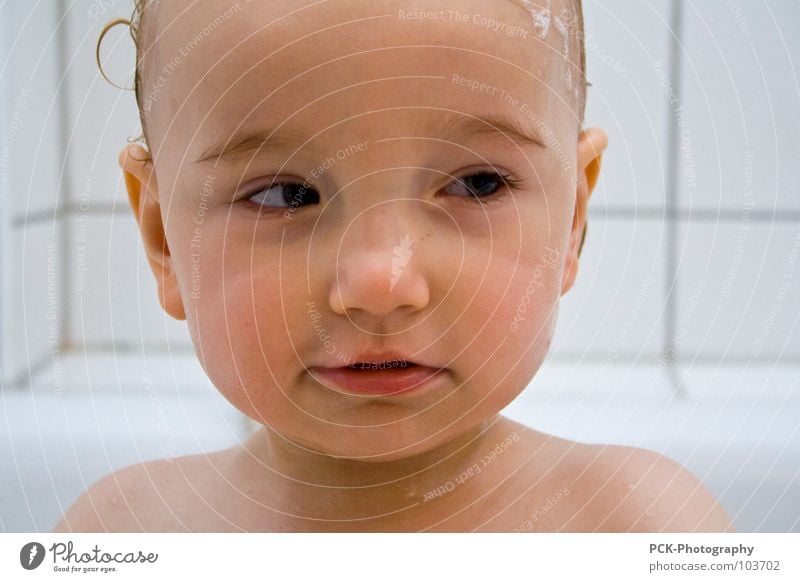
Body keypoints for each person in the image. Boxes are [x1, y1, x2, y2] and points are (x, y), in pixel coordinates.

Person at [53, 0, 733, 532]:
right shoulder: (121, 532)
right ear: (164, 237)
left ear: (573, 220)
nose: (381, 283)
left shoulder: (640, 528)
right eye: (286, 195)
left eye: (477, 184)